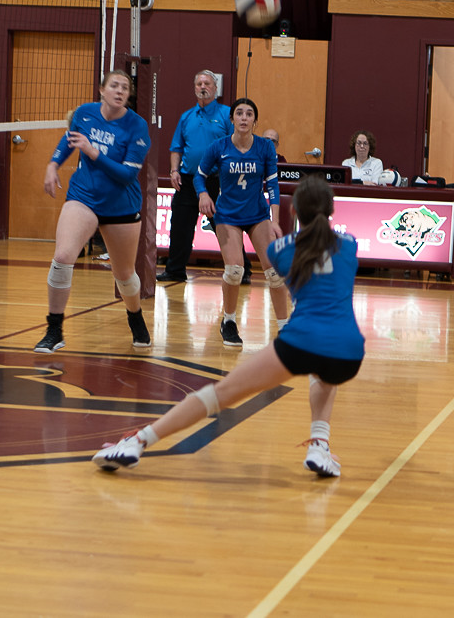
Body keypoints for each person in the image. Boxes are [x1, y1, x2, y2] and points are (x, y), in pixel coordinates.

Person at [93, 175, 364, 476]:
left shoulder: (281, 250)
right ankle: (320, 445)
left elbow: (289, 254)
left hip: (302, 341)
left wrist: (275, 232)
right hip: (349, 352)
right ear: (332, 211)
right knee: (325, 373)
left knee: (219, 394)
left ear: (293, 212)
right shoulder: (350, 246)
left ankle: (138, 441)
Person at [34, 70, 152, 353]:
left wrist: (93, 153)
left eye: (125, 87)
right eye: (114, 85)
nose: (120, 91)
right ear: (102, 89)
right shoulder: (85, 113)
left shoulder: (137, 127)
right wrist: (53, 165)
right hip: (84, 197)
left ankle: (134, 315)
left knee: (123, 274)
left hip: (121, 204)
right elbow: (69, 141)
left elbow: (126, 176)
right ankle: (54, 329)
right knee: (62, 257)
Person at [195, 97, 290, 346]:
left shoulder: (265, 148)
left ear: (254, 122)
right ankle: (228, 321)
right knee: (235, 270)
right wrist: (203, 194)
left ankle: (285, 328)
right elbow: (199, 176)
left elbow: (273, 186)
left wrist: (275, 220)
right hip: (227, 216)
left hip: (257, 215)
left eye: (249, 114)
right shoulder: (219, 147)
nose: (244, 118)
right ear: (232, 119)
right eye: (240, 113)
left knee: (275, 273)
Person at [157, 69, 235, 283]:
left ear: (215, 88)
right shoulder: (186, 117)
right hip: (188, 181)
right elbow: (176, 148)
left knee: (225, 227)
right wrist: (174, 171)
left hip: (215, 182)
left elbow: (234, 147)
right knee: (180, 227)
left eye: (207, 84)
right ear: (194, 88)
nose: (203, 87)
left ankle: (241, 270)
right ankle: (175, 270)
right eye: (199, 84)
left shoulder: (226, 115)